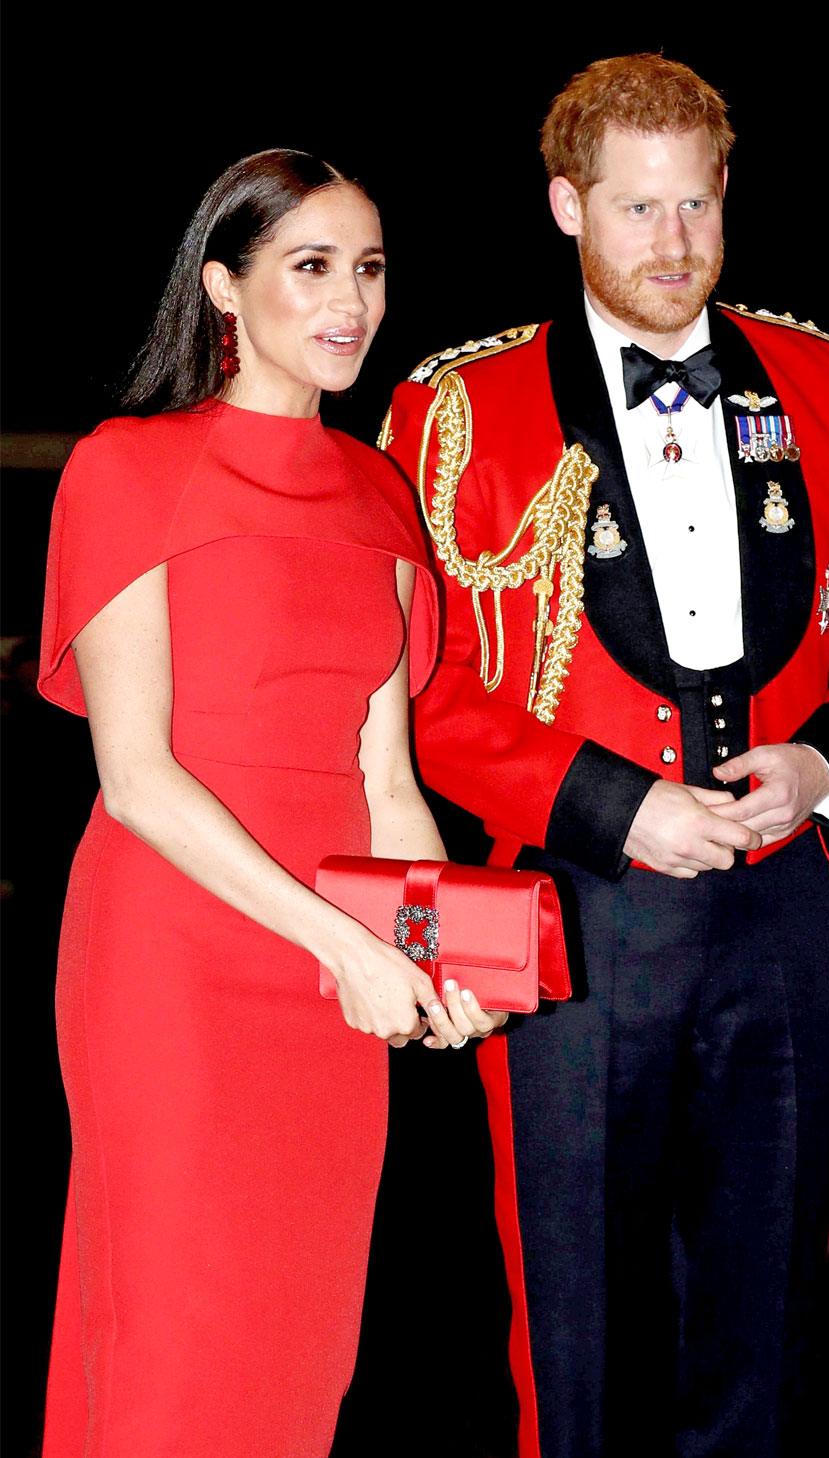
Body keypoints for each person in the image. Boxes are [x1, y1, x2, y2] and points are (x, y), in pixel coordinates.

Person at [383, 55, 829, 1458]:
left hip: (784, 909)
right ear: (568, 205)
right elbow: (422, 690)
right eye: (638, 210)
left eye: (696, 205)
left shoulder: (825, 379)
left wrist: (820, 766)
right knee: (572, 1318)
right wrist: (610, 802)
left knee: (768, 1302)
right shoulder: (458, 411)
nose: (675, 244)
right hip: (576, 906)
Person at [37, 148, 505, 1458]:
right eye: (311, 267)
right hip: (176, 959)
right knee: (183, 1328)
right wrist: (347, 944)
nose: (350, 299)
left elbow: (389, 780)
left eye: (367, 268)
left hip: (333, 978)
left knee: (305, 1341)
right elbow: (135, 779)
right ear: (223, 287)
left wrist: (439, 953)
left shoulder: (378, 495)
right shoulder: (128, 468)